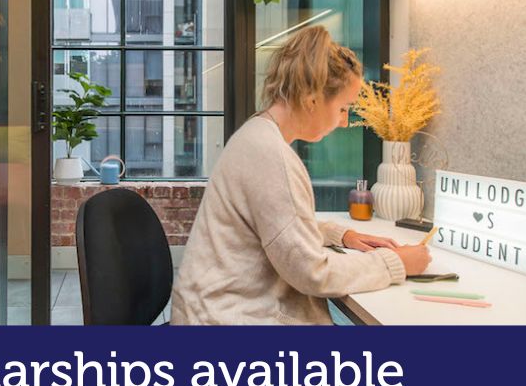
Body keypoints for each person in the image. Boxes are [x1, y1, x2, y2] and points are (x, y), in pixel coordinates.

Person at [171, 26, 431, 325]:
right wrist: (395, 263)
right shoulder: (270, 156)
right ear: (312, 100)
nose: (345, 122)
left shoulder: (257, 136)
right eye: (344, 108)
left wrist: (340, 235)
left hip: (213, 310)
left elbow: (274, 223)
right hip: (227, 320)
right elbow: (311, 272)